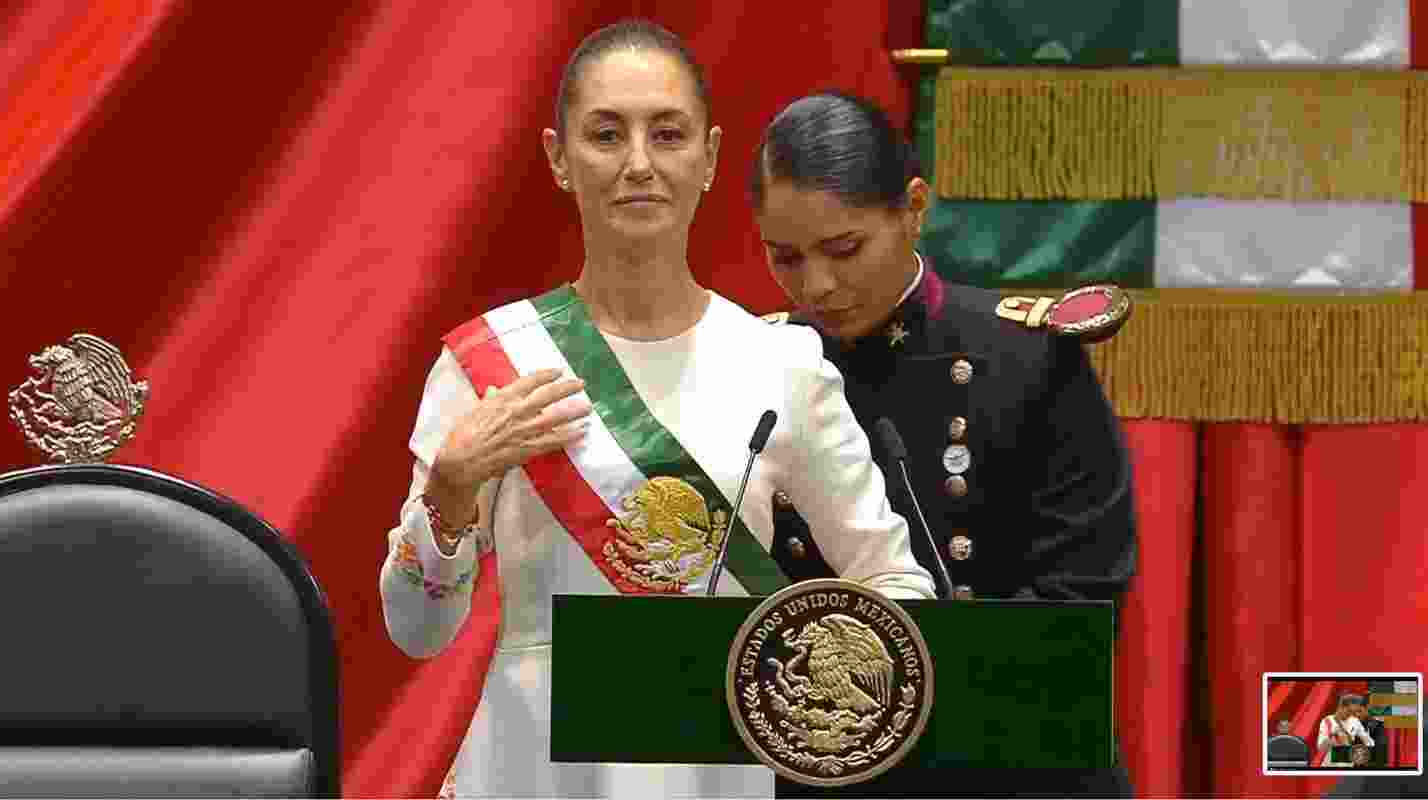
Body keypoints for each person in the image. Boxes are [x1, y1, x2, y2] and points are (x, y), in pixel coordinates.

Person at [378, 22, 938, 800]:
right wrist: (450, 486)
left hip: (715, 765)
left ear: (707, 159)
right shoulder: (490, 363)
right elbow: (416, 630)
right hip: (532, 768)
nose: (638, 163)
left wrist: (807, 692)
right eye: (606, 134)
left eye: (667, 134)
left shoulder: (782, 366)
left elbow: (898, 586)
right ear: (558, 158)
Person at [747, 91, 1138, 797]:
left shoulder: (1026, 357)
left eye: (844, 248)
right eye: (786, 258)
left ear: (914, 207)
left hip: (1010, 761)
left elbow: (1084, 600)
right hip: (824, 764)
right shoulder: (756, 367)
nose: (819, 285)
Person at [1320, 695, 1375, 767]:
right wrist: (1332, 738)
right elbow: (1321, 747)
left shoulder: (1355, 721)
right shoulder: (1327, 721)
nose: (1351, 714)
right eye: (1349, 711)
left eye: (1354, 712)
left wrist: (1361, 754)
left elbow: (1370, 742)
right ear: (1341, 707)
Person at [1356, 701, 1391, 768]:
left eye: (1360, 711)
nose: (1357, 715)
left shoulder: (1381, 727)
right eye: (1355, 712)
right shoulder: (1359, 724)